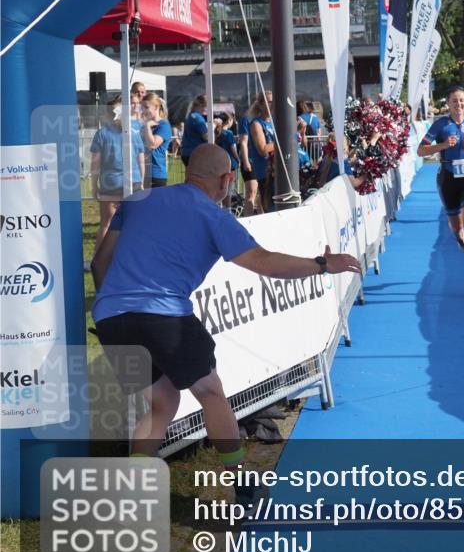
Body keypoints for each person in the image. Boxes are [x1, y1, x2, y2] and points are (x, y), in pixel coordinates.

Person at [91, 145, 362, 499]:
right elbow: (265, 264)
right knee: (210, 393)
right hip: (165, 316)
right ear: (226, 179)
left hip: (111, 317)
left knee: (163, 403)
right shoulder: (214, 217)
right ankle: (241, 480)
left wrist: (112, 309)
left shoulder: (138, 200)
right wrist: (323, 265)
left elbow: (99, 263)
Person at [417, 85, 464, 289]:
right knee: (457, 227)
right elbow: (421, 151)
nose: (459, 104)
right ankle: (461, 239)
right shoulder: (440, 125)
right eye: (454, 101)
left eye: (461, 100)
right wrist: (443, 145)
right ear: (448, 104)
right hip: (448, 179)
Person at [90, 96, 145, 250]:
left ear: (109, 114)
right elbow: (141, 159)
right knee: (134, 224)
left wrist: (94, 186)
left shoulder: (101, 133)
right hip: (133, 181)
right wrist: (140, 181)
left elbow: (95, 163)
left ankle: (98, 260)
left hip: (110, 183)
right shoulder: (134, 133)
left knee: (106, 224)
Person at [248, 93, 276, 213]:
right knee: (270, 207)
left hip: (278, 169)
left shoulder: (275, 122)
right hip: (265, 171)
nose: (272, 104)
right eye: (269, 102)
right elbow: (262, 149)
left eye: (273, 101)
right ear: (260, 105)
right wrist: (283, 141)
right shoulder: (256, 124)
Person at [140, 93, 172, 188]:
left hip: (155, 174)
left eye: (146, 107)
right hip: (141, 173)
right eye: (142, 108)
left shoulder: (163, 125)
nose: (144, 111)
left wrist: (147, 126)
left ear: (156, 107)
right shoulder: (145, 125)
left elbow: (152, 144)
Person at [214, 113, 240, 209]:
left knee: (220, 189)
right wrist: (238, 159)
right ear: (229, 121)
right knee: (228, 191)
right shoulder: (229, 133)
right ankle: (227, 210)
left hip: (219, 164)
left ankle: (220, 209)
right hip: (230, 165)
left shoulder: (217, 133)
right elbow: (233, 149)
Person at [180, 95, 211, 166]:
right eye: (208, 107)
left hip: (187, 152)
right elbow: (206, 137)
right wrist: (214, 125)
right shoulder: (198, 118)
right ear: (202, 106)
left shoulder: (191, 116)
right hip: (195, 153)